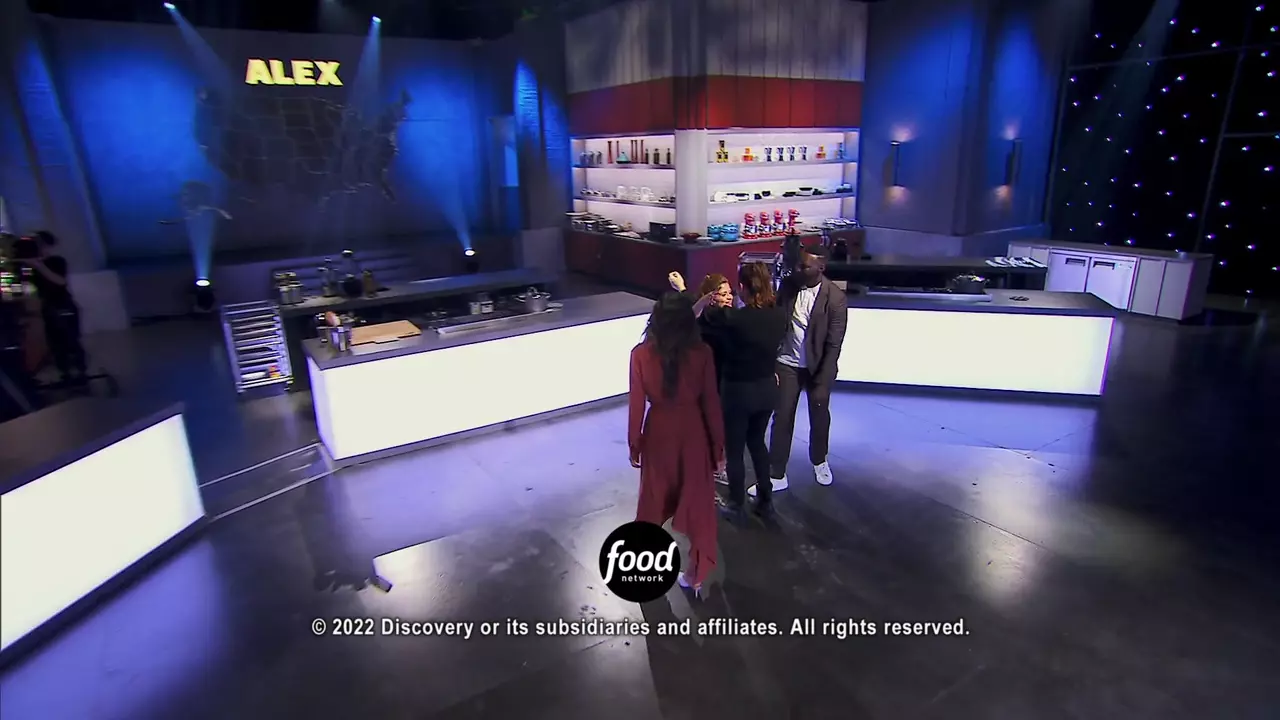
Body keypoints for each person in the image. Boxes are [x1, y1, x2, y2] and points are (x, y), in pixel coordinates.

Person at [670, 263, 789, 523]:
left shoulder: (735, 319)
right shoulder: (779, 315)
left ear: (743, 288)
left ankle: (736, 504)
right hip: (767, 389)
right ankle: (765, 501)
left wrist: (693, 294)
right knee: (757, 444)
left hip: (739, 393)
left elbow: (697, 315)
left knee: (735, 450)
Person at [628, 292, 725, 596]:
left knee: (652, 502)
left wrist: (635, 443)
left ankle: (643, 568)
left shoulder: (640, 354)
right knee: (698, 506)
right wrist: (718, 448)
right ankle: (696, 575)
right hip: (693, 433)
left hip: (658, 434)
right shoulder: (702, 353)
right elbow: (711, 403)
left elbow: (636, 403)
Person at [750, 244, 847, 498]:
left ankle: (819, 460)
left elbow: (833, 345)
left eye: (805, 266)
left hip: (818, 366)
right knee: (782, 417)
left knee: (819, 413)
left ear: (821, 267)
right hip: (787, 363)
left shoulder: (836, 298)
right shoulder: (789, 286)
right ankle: (776, 474)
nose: (798, 269)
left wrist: (823, 382)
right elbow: (776, 322)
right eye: (799, 264)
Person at [20, 231, 87, 385]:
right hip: (47, 307)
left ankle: (80, 371)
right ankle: (65, 373)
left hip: (63, 304)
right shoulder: (28, 267)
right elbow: (26, 289)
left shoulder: (57, 261)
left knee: (71, 340)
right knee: (55, 343)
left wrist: (39, 265)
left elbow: (60, 281)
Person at [694, 272, 734, 486]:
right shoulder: (703, 321)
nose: (729, 297)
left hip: (727, 379)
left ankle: (718, 464)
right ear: (711, 297)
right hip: (708, 381)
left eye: (730, 293)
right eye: (723, 294)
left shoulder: (733, 317)